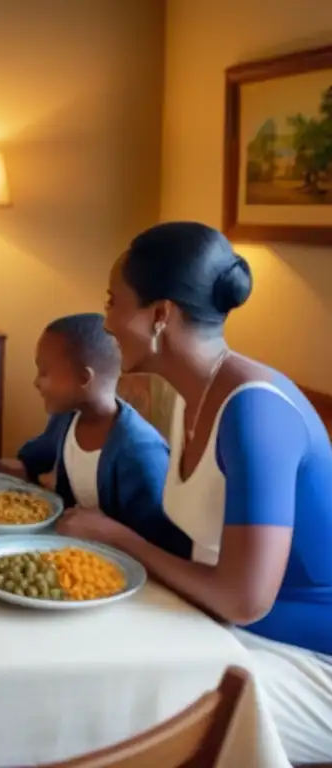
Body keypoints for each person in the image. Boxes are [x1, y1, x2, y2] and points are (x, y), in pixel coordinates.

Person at [57, 221, 332, 764]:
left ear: (160, 315)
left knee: (126, 712)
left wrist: (121, 538)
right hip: (234, 630)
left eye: (114, 302)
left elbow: (244, 599)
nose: (107, 320)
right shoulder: (193, 396)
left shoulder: (255, 414)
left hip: (308, 658)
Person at [10, 313, 191, 557]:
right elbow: (31, 461)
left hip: (125, 571)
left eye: (44, 372)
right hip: (72, 554)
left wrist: (106, 531)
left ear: (84, 378)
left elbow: (161, 544)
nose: (36, 382)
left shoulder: (139, 451)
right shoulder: (67, 419)